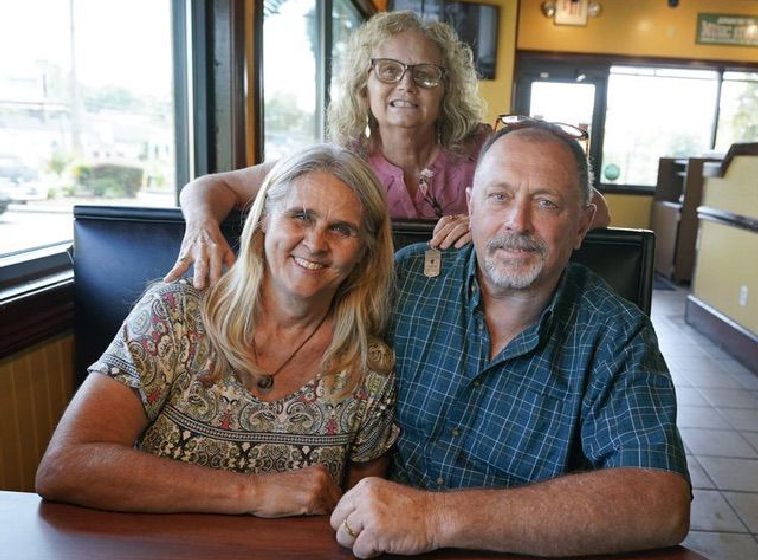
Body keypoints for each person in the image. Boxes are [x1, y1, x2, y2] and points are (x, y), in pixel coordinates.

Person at [329, 122, 690, 558]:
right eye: (499, 197)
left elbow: (661, 502)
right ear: (471, 207)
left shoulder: (615, 334)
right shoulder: (409, 280)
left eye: (546, 203)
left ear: (581, 224)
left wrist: (434, 518)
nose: (517, 222)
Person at [35, 144, 399, 517]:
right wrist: (255, 492)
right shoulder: (174, 317)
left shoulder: (370, 368)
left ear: (365, 251)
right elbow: (65, 467)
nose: (316, 243)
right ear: (264, 220)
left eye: (341, 229)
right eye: (301, 216)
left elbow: (357, 523)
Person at [165, 10, 611, 289]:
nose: (406, 85)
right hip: (363, 317)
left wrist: (490, 223)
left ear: (447, 89)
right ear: (364, 85)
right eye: (388, 70)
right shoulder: (337, 162)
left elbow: (597, 209)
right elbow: (209, 187)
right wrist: (202, 226)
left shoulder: (488, 149)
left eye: (425, 74)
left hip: (468, 321)